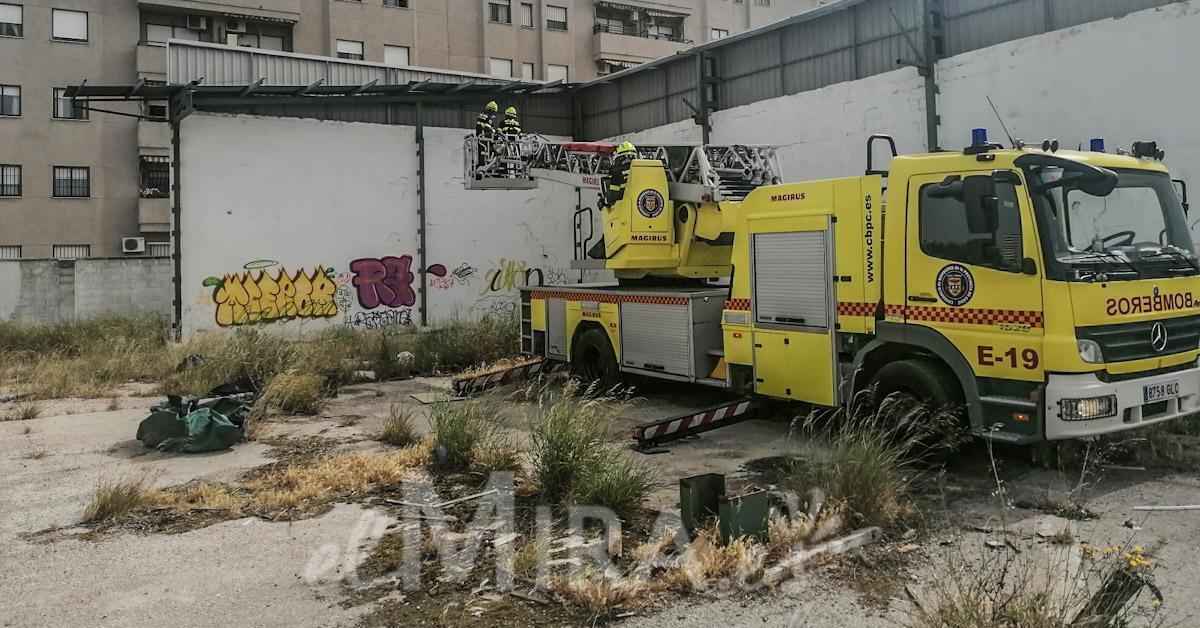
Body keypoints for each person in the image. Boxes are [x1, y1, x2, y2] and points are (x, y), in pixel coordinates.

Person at [602, 141, 637, 208]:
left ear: (620, 157)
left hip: (622, 208)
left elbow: (613, 197)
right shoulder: (640, 170)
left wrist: (604, 202)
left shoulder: (616, 173)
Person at [475, 101, 498, 174]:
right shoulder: (488, 118)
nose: (494, 114)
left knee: (481, 156)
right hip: (485, 140)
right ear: (491, 110)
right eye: (494, 112)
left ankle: (480, 167)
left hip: (479, 139)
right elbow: (487, 129)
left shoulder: (481, 115)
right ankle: (483, 168)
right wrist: (494, 136)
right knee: (493, 153)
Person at [500, 106, 523, 177]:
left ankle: (504, 172)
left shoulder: (503, 122)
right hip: (516, 144)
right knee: (518, 158)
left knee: (503, 157)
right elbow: (520, 135)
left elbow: (498, 132)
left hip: (506, 143)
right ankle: (518, 172)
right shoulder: (517, 124)